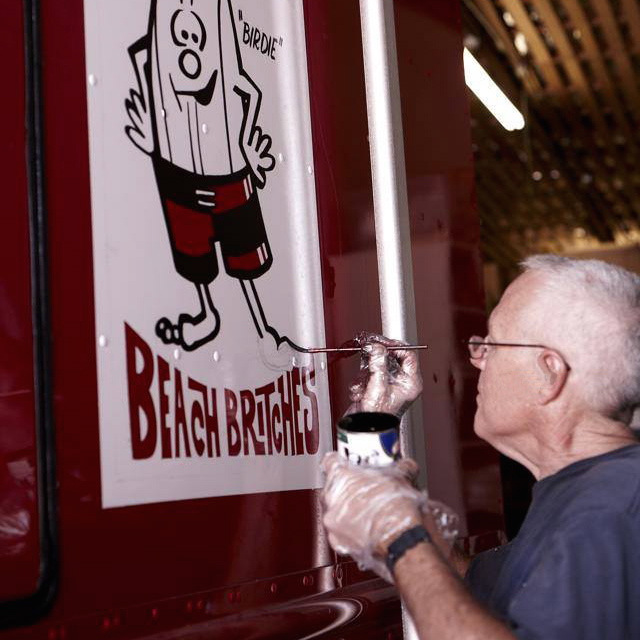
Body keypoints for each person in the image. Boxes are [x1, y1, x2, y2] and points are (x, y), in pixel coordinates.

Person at [322, 255, 640, 639]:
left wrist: (400, 531)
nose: (477, 360)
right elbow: (454, 578)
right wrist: (371, 429)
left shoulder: (612, 507)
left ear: (549, 374)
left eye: (492, 344)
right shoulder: (592, 495)